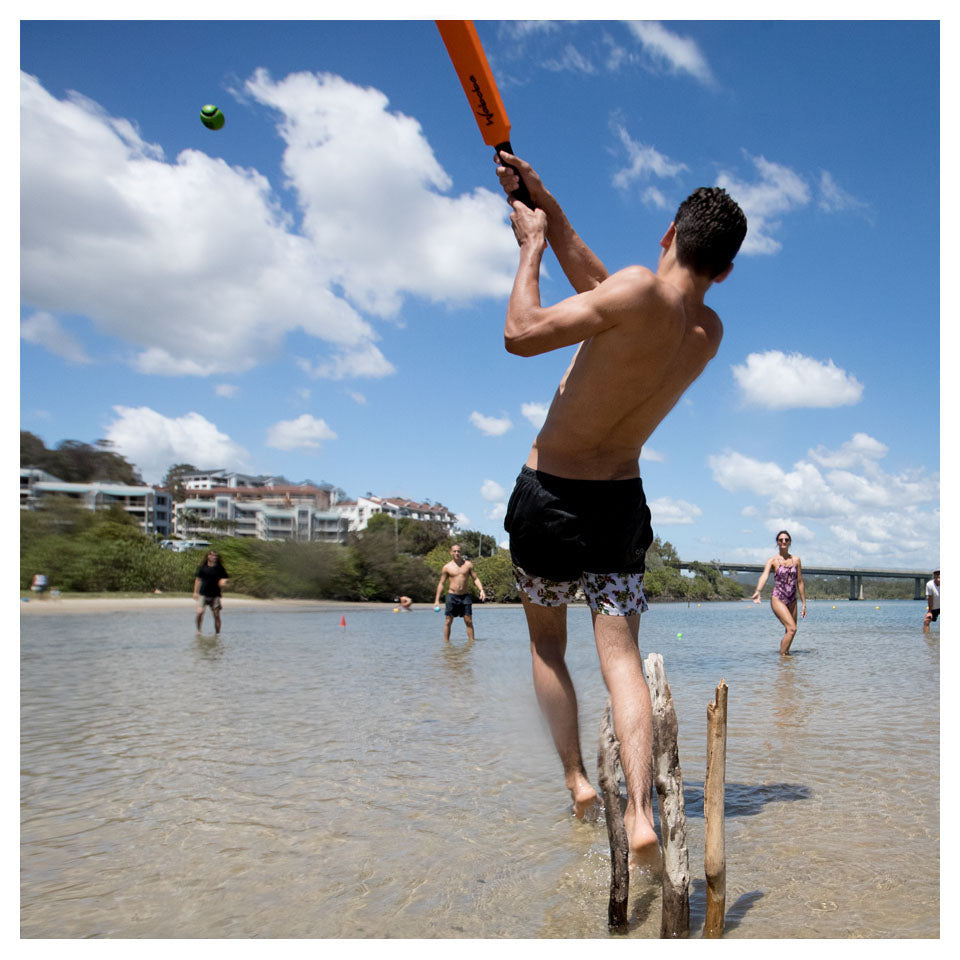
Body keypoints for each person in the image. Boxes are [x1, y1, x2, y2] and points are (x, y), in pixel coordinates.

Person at [495, 151, 747, 865]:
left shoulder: (636, 291)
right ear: (725, 270)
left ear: (667, 232)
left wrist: (532, 247)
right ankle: (639, 813)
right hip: (620, 504)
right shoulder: (706, 332)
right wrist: (545, 199)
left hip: (550, 493)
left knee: (548, 647)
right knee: (623, 660)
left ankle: (578, 780)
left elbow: (520, 333)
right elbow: (606, 290)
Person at [751, 530, 806, 655]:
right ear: (777, 542)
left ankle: (786, 661)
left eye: (786, 539)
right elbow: (764, 575)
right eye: (781, 540)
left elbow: (800, 582)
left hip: (792, 599)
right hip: (778, 598)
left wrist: (803, 603)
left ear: (790, 542)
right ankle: (783, 658)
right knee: (792, 629)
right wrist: (758, 591)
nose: (784, 541)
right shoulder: (772, 561)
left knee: (789, 631)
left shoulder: (796, 560)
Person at [433, 544, 486, 642]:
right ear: (451, 552)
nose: (457, 553)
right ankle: (446, 644)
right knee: (448, 620)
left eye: (458, 551)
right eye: (454, 551)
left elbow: (475, 578)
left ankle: (471, 643)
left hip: (465, 596)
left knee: (468, 620)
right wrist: (437, 600)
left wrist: (481, 590)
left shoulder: (468, 565)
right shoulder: (447, 567)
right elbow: (441, 583)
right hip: (452, 596)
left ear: (461, 552)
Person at [194, 550, 228, 634]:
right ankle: (199, 630)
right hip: (203, 594)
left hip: (215, 595)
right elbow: (197, 580)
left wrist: (223, 582)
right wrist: (195, 592)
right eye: (212, 555)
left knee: (216, 615)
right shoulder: (202, 567)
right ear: (208, 556)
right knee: (200, 612)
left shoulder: (220, 568)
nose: (214, 557)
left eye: (215, 556)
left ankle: (217, 634)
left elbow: (224, 578)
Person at [923, 568, 940, 633]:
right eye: (937, 574)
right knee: (926, 620)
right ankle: (927, 637)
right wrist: (929, 611)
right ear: (934, 576)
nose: (939, 575)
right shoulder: (929, 584)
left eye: (940, 573)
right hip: (934, 607)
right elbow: (930, 598)